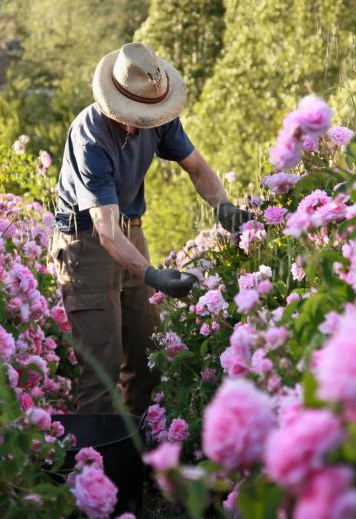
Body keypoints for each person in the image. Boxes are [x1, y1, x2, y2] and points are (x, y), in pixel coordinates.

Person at [50, 42, 249, 417]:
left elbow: (197, 168)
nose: (140, 123)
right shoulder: (91, 138)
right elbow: (105, 231)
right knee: (102, 372)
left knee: (146, 358)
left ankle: (138, 459)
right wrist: (153, 275)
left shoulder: (159, 118)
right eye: (133, 115)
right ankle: (97, 470)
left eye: (146, 116)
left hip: (130, 232)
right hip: (86, 244)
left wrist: (223, 206)